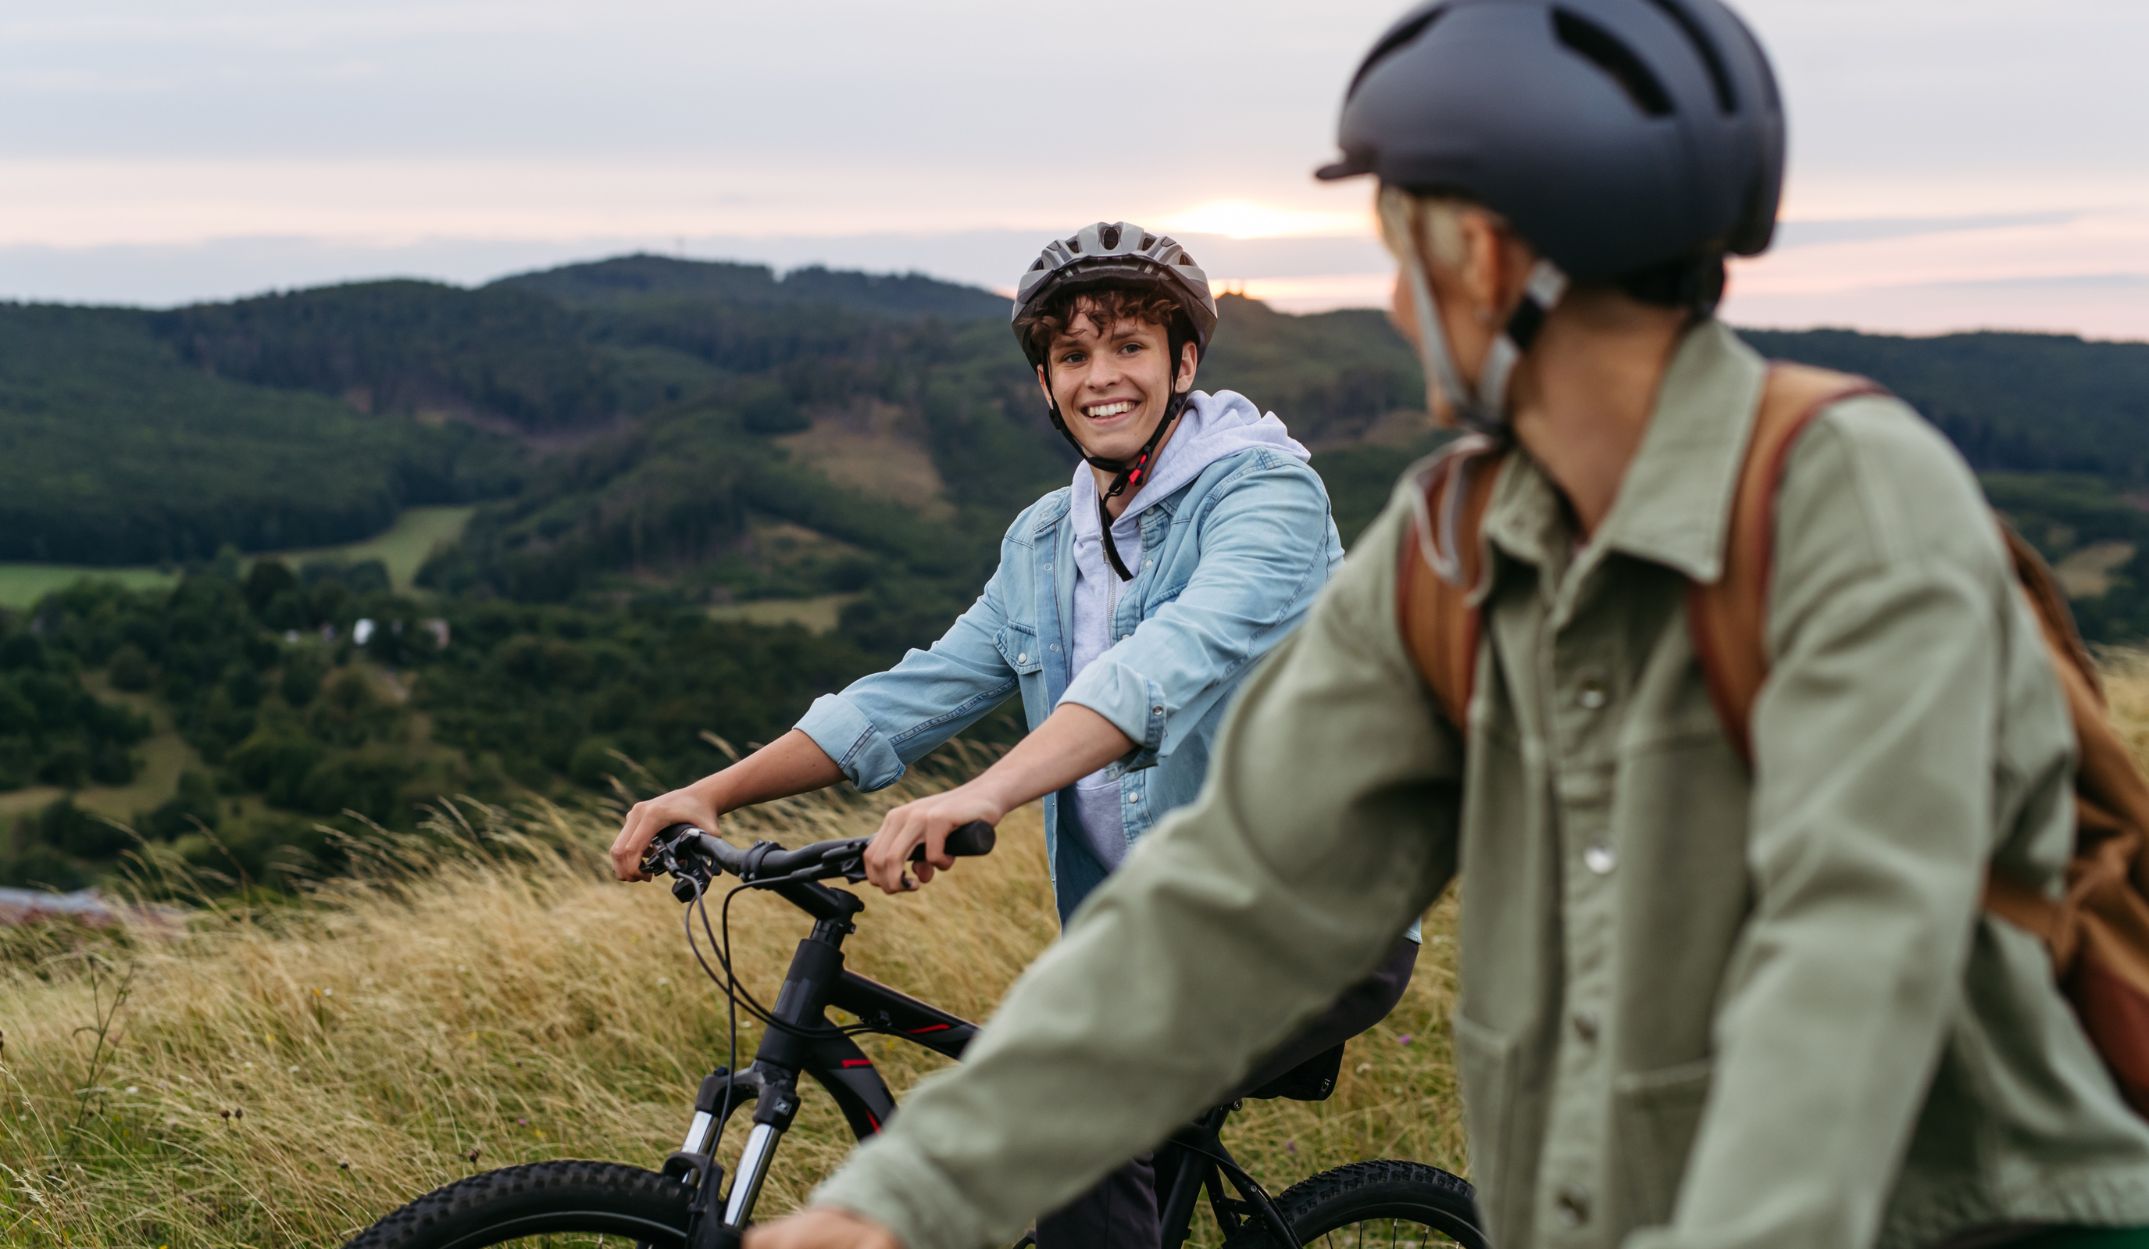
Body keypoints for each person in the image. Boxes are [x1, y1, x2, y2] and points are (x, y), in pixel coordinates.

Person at [747, 2, 2149, 1248]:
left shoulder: (1850, 503)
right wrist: (891, 1199)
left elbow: (1849, 982)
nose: (1397, 299)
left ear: (1482, 255)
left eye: (1399, 249)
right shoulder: (1451, 545)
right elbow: (1234, 905)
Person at [610, 222, 1419, 1248]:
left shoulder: (1267, 498)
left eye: (1128, 346)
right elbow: (913, 693)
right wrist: (716, 792)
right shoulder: (1049, 537)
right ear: (1044, 383)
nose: (1101, 377)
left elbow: (1161, 664)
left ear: (1184, 361)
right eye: (1072, 355)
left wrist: (983, 792)